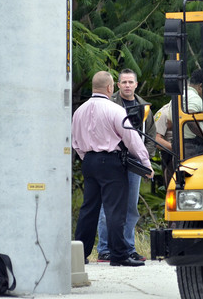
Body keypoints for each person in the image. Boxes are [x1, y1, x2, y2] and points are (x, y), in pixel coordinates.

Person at [73, 71, 154, 267]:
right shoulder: (115, 110)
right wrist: (146, 164)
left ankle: (79, 255)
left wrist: (88, 158)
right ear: (111, 88)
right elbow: (132, 139)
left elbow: (75, 142)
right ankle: (119, 254)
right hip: (111, 162)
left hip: (89, 161)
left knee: (88, 209)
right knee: (115, 209)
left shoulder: (79, 111)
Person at [96, 69, 156, 262]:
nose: (128, 85)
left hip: (134, 162)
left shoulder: (144, 108)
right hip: (112, 160)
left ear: (136, 84)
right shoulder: (108, 104)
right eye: (124, 82)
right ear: (117, 85)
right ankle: (105, 249)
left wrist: (144, 158)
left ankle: (128, 248)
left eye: (131, 82)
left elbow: (151, 136)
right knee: (108, 206)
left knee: (130, 207)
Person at [183, 69, 203, 157]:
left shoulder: (182, 95)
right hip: (192, 146)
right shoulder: (194, 98)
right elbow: (190, 119)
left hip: (180, 143)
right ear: (200, 86)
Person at [154, 101, 174, 187]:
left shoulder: (191, 109)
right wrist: (176, 148)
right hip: (171, 156)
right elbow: (156, 140)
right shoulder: (164, 113)